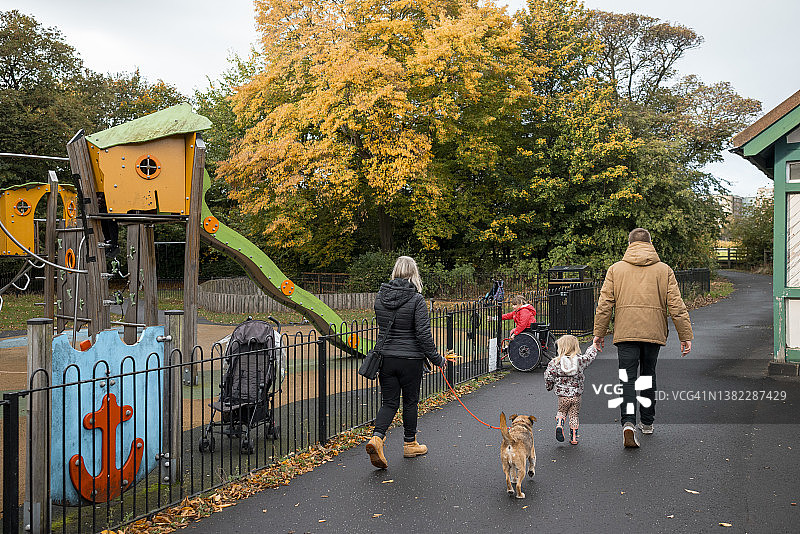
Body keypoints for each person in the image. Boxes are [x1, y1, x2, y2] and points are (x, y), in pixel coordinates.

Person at [593, 228, 693, 448]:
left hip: (626, 333)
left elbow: (604, 305)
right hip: (653, 333)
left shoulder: (615, 270)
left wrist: (598, 334)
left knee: (627, 379)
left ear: (629, 244)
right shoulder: (664, 270)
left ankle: (628, 422)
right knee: (648, 374)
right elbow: (676, 305)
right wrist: (685, 335)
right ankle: (647, 423)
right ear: (650, 244)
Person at [365, 256, 447, 469]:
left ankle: (377, 438)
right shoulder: (416, 299)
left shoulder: (380, 298)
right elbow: (422, 335)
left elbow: (384, 327)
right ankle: (410, 444)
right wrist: (437, 359)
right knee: (410, 402)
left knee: (389, 402)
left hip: (386, 359)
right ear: (413, 274)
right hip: (410, 360)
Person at [543, 335, 598, 445]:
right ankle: (573, 438)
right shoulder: (579, 361)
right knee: (574, 415)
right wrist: (593, 346)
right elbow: (589, 357)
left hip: (563, 397)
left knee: (562, 412)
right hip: (576, 396)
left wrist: (549, 386)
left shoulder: (555, 363)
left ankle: (559, 424)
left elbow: (548, 376)